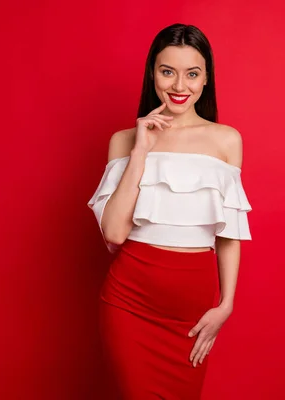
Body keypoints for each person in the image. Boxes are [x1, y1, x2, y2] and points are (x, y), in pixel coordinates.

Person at [87, 23, 252, 399]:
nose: (180, 86)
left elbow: (229, 233)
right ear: (152, 73)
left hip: (189, 314)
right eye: (168, 72)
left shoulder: (226, 140)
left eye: (192, 74)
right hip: (129, 304)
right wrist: (141, 151)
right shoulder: (124, 141)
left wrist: (226, 305)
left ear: (206, 77)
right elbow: (113, 233)